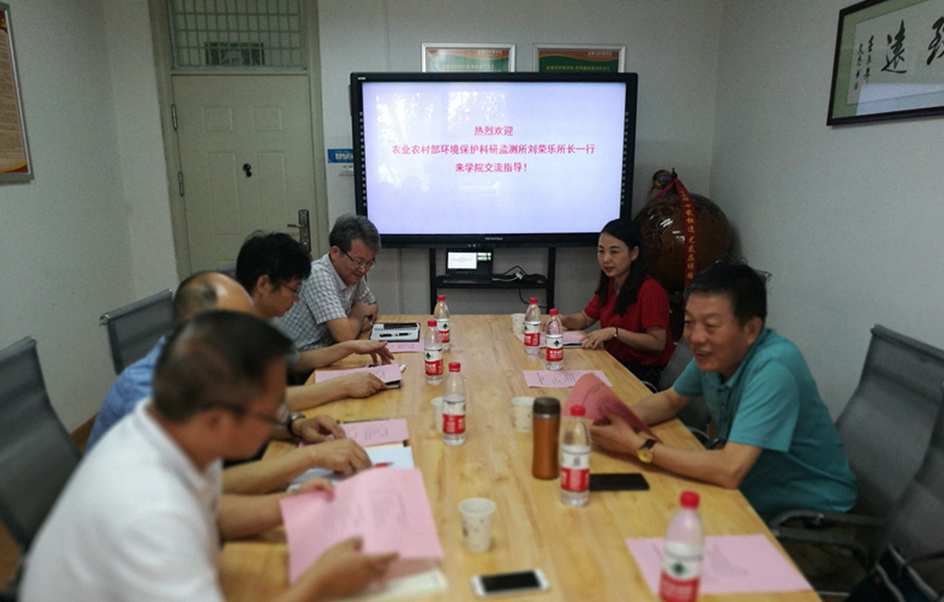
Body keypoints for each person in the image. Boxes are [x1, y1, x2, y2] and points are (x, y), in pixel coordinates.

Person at [21, 311, 397, 602]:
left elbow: (212, 510)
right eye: (271, 412)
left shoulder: (167, 427)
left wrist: (296, 505)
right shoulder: (150, 511)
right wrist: (320, 583)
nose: (281, 419)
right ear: (219, 419)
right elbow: (178, 515)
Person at [589, 261, 857, 517]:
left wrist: (636, 445)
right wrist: (620, 420)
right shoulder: (718, 354)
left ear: (751, 330)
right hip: (746, 491)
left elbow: (729, 469)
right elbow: (670, 400)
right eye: (689, 323)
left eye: (711, 326)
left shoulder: (774, 368)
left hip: (809, 517)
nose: (695, 338)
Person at [86, 271, 373, 494]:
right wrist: (310, 458)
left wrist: (293, 426)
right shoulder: (149, 393)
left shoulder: (203, 362)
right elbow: (206, 488)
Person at [560, 218, 674, 384]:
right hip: (616, 364)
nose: (605, 259)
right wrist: (563, 320)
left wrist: (615, 332)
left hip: (643, 373)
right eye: (601, 251)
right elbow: (585, 318)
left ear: (634, 253)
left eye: (614, 252)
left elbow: (657, 343)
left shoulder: (650, 289)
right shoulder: (611, 283)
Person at [275, 214, 380, 351]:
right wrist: (359, 313)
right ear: (335, 252)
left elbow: (373, 305)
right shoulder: (318, 275)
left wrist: (361, 320)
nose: (363, 269)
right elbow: (345, 336)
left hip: (328, 351)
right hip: (300, 357)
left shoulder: (353, 273)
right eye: (358, 261)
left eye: (369, 263)